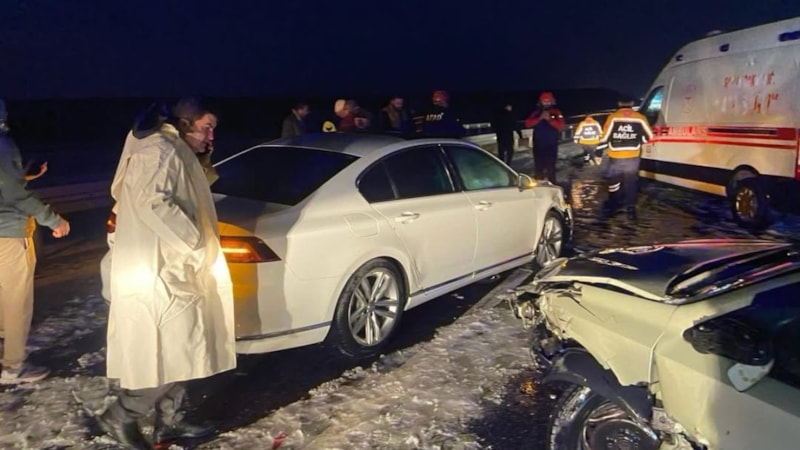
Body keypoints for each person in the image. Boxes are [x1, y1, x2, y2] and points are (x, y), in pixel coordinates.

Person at [96, 98, 236, 449]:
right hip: (160, 271)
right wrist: (196, 243)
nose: (211, 136)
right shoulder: (159, 150)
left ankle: (170, 421)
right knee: (163, 351)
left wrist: (201, 160)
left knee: (184, 347)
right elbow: (153, 202)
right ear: (185, 123)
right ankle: (120, 416)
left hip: (173, 268)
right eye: (207, 127)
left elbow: (184, 189)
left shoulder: (171, 148)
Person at [0, 99, 71, 384]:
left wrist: (22, 176)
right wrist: (53, 219)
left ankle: (5, 345)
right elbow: (14, 194)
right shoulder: (3, 145)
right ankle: (13, 367)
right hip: (7, 234)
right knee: (17, 301)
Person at [596, 97, 654, 220]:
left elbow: (605, 138)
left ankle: (613, 206)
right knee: (631, 183)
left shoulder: (613, 117)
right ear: (632, 103)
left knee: (614, 182)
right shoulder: (640, 118)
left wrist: (598, 153)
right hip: (633, 157)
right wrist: (639, 141)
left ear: (619, 103)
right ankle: (631, 210)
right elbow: (649, 136)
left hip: (616, 157)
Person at [524, 92, 566, 184]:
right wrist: (539, 118)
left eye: (548, 101)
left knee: (551, 166)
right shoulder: (536, 113)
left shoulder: (556, 112)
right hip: (538, 144)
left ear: (552, 102)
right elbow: (527, 124)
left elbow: (561, 126)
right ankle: (539, 185)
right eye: (544, 101)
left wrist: (550, 120)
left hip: (551, 144)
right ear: (540, 102)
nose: (546, 103)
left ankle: (552, 183)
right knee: (538, 166)